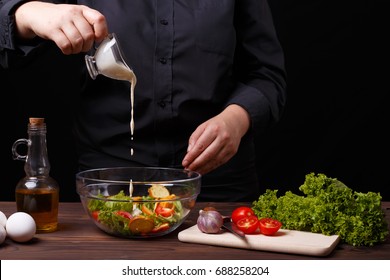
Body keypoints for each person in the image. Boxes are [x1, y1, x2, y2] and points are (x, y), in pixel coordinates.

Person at [0, 0, 287, 202]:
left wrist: (237, 118)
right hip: (110, 186)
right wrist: (28, 12)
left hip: (217, 186)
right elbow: (7, 20)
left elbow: (267, 74)